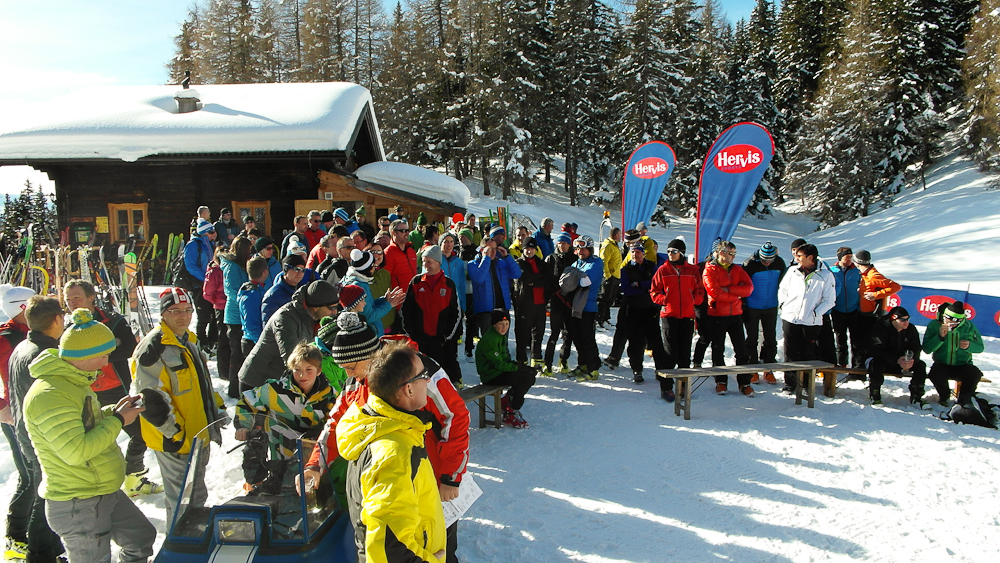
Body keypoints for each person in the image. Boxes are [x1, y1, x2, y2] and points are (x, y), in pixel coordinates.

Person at [25, 308, 156, 563]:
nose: (107, 363)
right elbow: (77, 451)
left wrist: (113, 411)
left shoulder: (74, 382)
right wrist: (119, 420)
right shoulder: (51, 394)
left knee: (140, 538)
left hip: (102, 490)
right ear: (83, 354)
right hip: (78, 501)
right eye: (103, 355)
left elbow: (84, 423)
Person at [336, 341, 447, 563]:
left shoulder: (386, 428)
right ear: (408, 389)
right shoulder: (393, 453)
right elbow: (390, 549)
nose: (428, 381)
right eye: (423, 375)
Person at [130, 288, 227, 528]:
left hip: (197, 435)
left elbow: (201, 383)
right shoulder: (154, 348)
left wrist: (217, 409)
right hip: (176, 441)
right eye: (175, 311)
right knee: (182, 501)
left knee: (196, 495)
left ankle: (196, 536)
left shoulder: (188, 340)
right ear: (163, 313)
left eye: (187, 310)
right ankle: (180, 542)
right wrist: (176, 434)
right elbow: (150, 399)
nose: (183, 316)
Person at [63, 280, 161, 496]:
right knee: (92, 443)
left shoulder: (113, 321)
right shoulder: (68, 328)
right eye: (68, 299)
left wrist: (99, 355)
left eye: (77, 298)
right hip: (85, 392)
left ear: (91, 298)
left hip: (116, 388)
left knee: (141, 433)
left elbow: (131, 348)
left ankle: (134, 477)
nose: (71, 303)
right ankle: (97, 487)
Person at [7, 296, 66, 563]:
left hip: (26, 431)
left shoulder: (22, 345)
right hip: (42, 436)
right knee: (45, 500)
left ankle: (51, 551)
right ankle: (39, 555)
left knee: (44, 494)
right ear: (57, 319)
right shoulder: (45, 353)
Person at [235, 343, 334, 493]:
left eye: (309, 370)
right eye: (297, 370)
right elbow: (246, 403)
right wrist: (243, 426)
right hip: (276, 461)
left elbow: (334, 425)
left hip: (308, 462)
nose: (302, 375)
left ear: (318, 370)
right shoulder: (274, 390)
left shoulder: (329, 396)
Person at [240, 280, 340, 391]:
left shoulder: (314, 318)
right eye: (332, 308)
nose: (335, 312)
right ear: (316, 307)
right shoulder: (285, 318)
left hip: (279, 380)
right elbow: (293, 357)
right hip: (258, 381)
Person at [0, 286, 33, 559]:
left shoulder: (33, 333)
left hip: (38, 413)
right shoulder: (5, 338)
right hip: (16, 416)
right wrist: (1, 407)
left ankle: (37, 533)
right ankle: (16, 537)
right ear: (22, 307)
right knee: (31, 476)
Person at [777, 243, 836, 394]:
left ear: (810, 257)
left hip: (811, 322)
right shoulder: (792, 271)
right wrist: (783, 305)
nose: (796, 258)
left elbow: (830, 300)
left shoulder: (825, 275)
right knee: (790, 351)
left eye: (800, 256)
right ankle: (790, 384)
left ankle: (806, 384)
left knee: (807, 353)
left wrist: (815, 313)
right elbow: (783, 289)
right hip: (790, 318)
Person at [650, 238, 704, 402]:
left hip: (687, 316)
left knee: (685, 354)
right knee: (670, 353)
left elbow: (700, 290)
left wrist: (694, 300)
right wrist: (665, 300)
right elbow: (654, 292)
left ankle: (683, 387)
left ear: (681, 253)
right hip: (669, 316)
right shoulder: (663, 270)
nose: (670, 254)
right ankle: (666, 387)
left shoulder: (692, 270)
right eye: (668, 251)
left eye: (673, 251)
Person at [401, 245, 464, 386]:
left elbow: (456, 313)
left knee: (441, 375)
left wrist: (446, 335)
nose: (425, 265)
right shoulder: (416, 282)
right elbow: (406, 310)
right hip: (420, 340)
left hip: (440, 340)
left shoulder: (448, 284)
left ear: (438, 262)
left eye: (429, 262)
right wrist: (413, 334)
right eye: (423, 261)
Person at [702, 240, 754, 396]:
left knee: (742, 350)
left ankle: (744, 382)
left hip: (735, 314)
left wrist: (729, 290)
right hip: (717, 315)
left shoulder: (737, 269)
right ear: (721, 253)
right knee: (718, 349)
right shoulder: (709, 270)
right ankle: (721, 381)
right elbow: (714, 292)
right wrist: (736, 296)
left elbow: (749, 288)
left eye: (734, 254)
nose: (733, 257)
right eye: (731, 253)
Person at [619, 242, 670, 384]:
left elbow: (657, 284)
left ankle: (660, 369)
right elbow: (627, 289)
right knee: (635, 341)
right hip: (632, 308)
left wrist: (639, 284)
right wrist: (645, 289)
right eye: (632, 252)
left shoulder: (651, 266)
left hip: (649, 308)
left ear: (643, 253)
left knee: (655, 341)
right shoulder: (626, 269)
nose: (635, 255)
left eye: (637, 252)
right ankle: (637, 369)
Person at [476, 309, 536, 428]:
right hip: (490, 375)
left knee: (529, 376)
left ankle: (508, 403)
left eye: (507, 324)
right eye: (501, 324)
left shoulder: (500, 335)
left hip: (499, 371)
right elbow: (499, 364)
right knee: (524, 378)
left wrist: (520, 366)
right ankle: (511, 411)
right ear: (494, 324)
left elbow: (505, 359)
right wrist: (519, 369)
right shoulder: (490, 339)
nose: (504, 327)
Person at [922, 301, 985, 407]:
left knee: (974, 373)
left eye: (954, 322)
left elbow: (980, 347)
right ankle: (944, 396)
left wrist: (969, 346)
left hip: (962, 364)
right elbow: (927, 349)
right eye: (947, 320)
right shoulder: (934, 325)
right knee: (935, 374)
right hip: (942, 363)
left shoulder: (968, 326)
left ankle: (965, 399)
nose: (950, 324)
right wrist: (940, 337)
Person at [742, 241, 786, 384]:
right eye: (764, 260)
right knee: (752, 338)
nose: (767, 263)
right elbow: (743, 284)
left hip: (771, 305)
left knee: (770, 338)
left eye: (770, 260)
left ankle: (768, 368)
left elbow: (783, 283)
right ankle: (752, 369)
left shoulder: (779, 263)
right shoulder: (749, 264)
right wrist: (743, 304)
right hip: (752, 306)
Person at [562, 235, 603, 380]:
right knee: (577, 337)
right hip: (575, 306)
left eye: (583, 249)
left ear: (590, 249)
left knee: (587, 337)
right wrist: (575, 277)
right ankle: (583, 364)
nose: (580, 251)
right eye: (578, 248)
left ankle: (593, 368)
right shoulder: (577, 263)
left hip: (588, 307)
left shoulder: (596, 263)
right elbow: (566, 282)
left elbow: (585, 282)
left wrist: (573, 277)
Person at [867, 307, 925, 405]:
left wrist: (912, 360)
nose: (906, 322)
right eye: (902, 320)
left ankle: (917, 395)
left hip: (902, 361)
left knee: (920, 365)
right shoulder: (881, 327)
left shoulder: (910, 329)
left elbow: (916, 347)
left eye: (907, 319)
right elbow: (876, 350)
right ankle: (875, 394)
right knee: (877, 363)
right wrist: (896, 360)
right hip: (885, 360)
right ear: (893, 318)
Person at [341, 249, 405, 338]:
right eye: (374, 265)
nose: (375, 268)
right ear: (369, 268)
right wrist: (389, 304)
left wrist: (384, 300)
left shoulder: (355, 280)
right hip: (369, 334)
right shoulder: (359, 286)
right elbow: (369, 316)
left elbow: (368, 305)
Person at [219, 236, 253, 398]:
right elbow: (231, 290)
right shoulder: (232, 266)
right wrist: (245, 298)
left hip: (243, 314)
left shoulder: (240, 264)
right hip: (234, 315)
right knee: (236, 354)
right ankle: (234, 389)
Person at [468, 238, 521, 336]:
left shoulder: (501, 263)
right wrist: (486, 258)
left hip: (502, 307)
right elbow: (479, 278)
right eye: (489, 249)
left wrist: (507, 257)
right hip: (486, 310)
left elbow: (517, 274)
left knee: (503, 340)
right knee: (489, 340)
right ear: (482, 249)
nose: (493, 252)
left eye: (495, 249)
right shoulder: (473, 264)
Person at [855, 249, 902, 362]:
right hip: (864, 314)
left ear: (857, 263)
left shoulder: (873, 275)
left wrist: (876, 295)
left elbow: (896, 287)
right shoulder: (865, 274)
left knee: (870, 345)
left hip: (872, 316)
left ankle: (868, 366)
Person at [542, 233, 576, 375]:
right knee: (554, 333)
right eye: (560, 243)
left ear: (569, 244)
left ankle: (564, 359)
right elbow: (547, 280)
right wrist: (551, 296)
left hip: (570, 302)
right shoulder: (551, 258)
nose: (562, 246)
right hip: (556, 300)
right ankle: (547, 362)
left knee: (568, 333)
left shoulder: (575, 259)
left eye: (564, 243)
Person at [513, 238, 550, 367]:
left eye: (532, 248)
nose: (529, 251)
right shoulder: (519, 263)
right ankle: (521, 360)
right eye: (527, 249)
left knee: (538, 333)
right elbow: (524, 277)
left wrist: (535, 281)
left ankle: (536, 358)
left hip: (540, 303)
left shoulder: (541, 263)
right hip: (525, 303)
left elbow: (547, 280)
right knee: (522, 333)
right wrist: (538, 278)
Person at [185, 219, 217, 346]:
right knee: (203, 315)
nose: (214, 234)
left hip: (212, 285)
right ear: (204, 233)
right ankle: (202, 340)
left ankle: (213, 340)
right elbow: (191, 266)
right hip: (198, 285)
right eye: (211, 232)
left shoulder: (211, 244)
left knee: (214, 314)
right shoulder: (193, 245)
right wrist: (205, 278)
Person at [830, 247, 863, 368]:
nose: (849, 259)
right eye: (847, 257)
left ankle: (857, 366)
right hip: (837, 310)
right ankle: (842, 364)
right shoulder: (832, 271)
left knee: (856, 340)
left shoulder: (857, 271)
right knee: (840, 339)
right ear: (840, 258)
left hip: (853, 310)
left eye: (851, 257)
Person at [238, 256, 270, 359]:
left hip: (254, 340)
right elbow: (251, 324)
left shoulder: (253, 291)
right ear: (265, 272)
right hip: (253, 342)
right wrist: (261, 343)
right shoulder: (252, 294)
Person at [262, 253, 307, 323]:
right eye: (296, 269)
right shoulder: (273, 295)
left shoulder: (304, 291)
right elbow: (269, 325)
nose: (300, 273)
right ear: (286, 269)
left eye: (303, 270)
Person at [383, 219, 417, 298]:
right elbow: (385, 280)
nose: (407, 233)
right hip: (399, 299)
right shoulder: (388, 253)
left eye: (407, 230)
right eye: (403, 231)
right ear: (393, 233)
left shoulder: (411, 252)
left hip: (414, 297)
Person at [597, 227, 623, 328]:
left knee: (610, 299)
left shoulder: (615, 245)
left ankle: (605, 318)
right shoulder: (608, 245)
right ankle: (599, 319)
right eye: (619, 234)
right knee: (604, 298)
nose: (621, 237)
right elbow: (603, 261)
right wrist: (608, 275)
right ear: (616, 235)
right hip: (610, 277)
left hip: (616, 276)